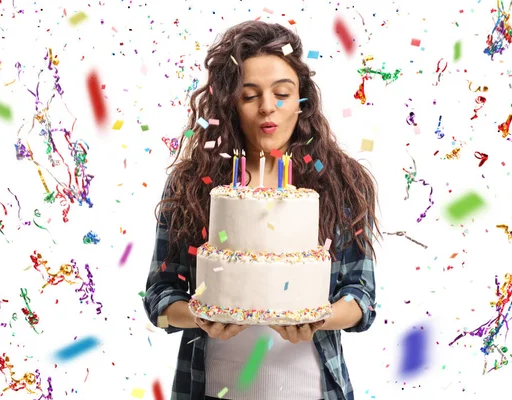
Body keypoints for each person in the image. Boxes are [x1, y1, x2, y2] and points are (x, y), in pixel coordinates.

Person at [143, 20, 382, 400]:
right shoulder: (192, 185)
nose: (268, 107)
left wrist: (319, 319)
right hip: (211, 387)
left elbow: (362, 296)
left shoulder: (341, 181)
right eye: (250, 95)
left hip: (311, 388)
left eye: (282, 93)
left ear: (302, 101)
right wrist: (200, 318)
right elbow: (159, 296)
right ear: (230, 104)